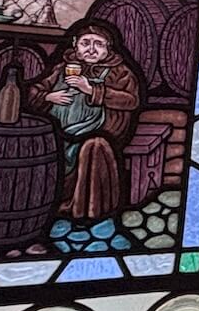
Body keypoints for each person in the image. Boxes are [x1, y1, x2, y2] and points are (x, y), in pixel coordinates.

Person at [30, 20, 144, 220]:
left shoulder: (120, 72)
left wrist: (91, 90)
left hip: (100, 131)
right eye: (85, 43)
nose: (91, 49)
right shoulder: (62, 68)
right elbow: (34, 91)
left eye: (98, 44)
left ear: (108, 48)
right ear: (75, 45)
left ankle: (84, 210)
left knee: (93, 146)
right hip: (58, 133)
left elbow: (131, 100)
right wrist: (47, 97)